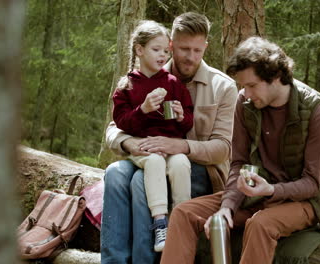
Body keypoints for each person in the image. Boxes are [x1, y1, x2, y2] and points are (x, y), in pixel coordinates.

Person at [160, 37, 320, 264]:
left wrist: (271, 190)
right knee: (185, 213)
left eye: (252, 85)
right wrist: (227, 208)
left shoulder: (319, 111)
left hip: (306, 201)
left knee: (261, 223)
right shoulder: (245, 102)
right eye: (243, 85)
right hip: (256, 194)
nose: (246, 92)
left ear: (275, 77)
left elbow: (312, 183)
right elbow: (239, 163)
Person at [101, 12, 238, 264]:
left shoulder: (223, 87)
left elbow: (223, 149)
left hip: (198, 170)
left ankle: (150, 258)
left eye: (198, 50)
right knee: (114, 173)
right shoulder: (147, 73)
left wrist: (180, 145)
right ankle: (114, 260)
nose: (191, 57)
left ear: (205, 46)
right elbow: (113, 127)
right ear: (171, 44)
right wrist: (129, 143)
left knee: (142, 181)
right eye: (184, 49)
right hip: (148, 152)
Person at [111, 20, 194, 252]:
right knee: (155, 162)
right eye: (156, 50)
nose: (162, 55)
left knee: (181, 163)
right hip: (144, 148)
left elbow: (188, 119)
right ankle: (160, 223)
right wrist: (144, 109)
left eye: (165, 51)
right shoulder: (126, 86)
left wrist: (180, 117)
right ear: (139, 50)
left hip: (170, 148)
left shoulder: (173, 83)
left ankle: (182, 221)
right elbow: (122, 122)